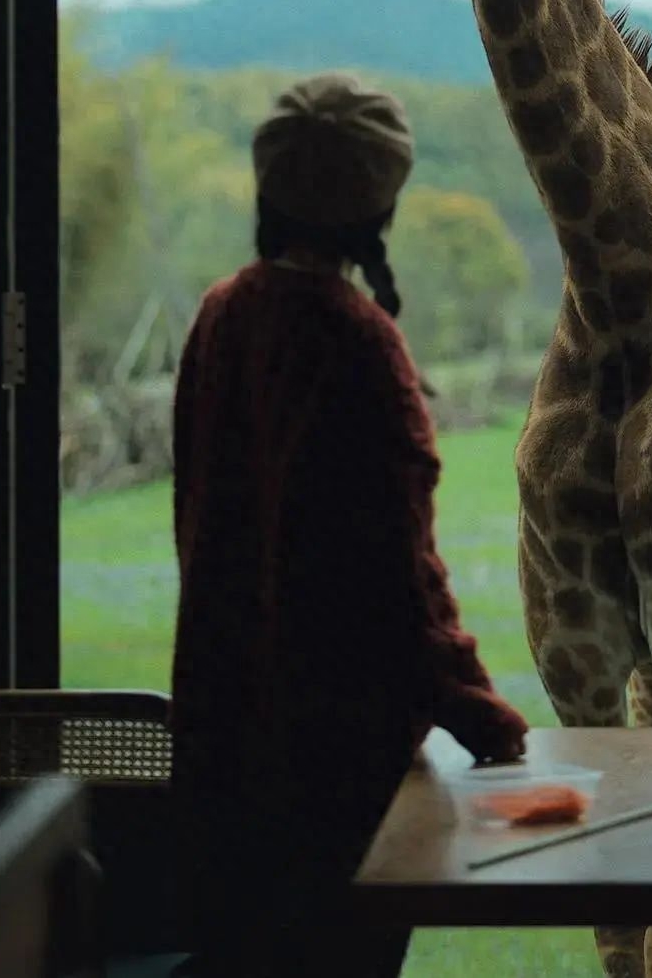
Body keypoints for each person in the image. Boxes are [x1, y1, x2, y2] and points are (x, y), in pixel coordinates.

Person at [169, 73, 528, 977]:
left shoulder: (221, 314)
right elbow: (403, 573)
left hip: (221, 737)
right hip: (337, 776)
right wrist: (482, 713)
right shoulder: (360, 343)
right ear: (380, 202)